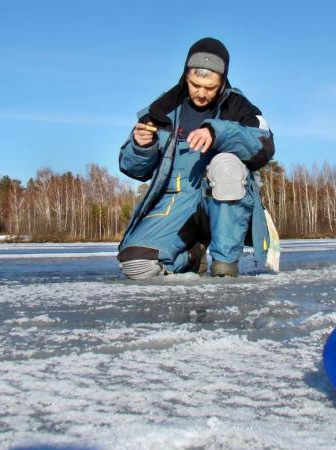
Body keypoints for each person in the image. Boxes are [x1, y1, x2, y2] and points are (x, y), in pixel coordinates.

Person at [117, 37, 276, 279]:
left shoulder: (240, 107)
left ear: (222, 82)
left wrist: (217, 132)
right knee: (137, 265)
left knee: (225, 165)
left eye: (210, 88)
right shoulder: (162, 110)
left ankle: (225, 263)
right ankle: (193, 254)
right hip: (176, 203)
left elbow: (264, 146)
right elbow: (134, 169)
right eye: (194, 85)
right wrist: (141, 146)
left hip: (224, 203)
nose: (201, 93)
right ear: (185, 76)